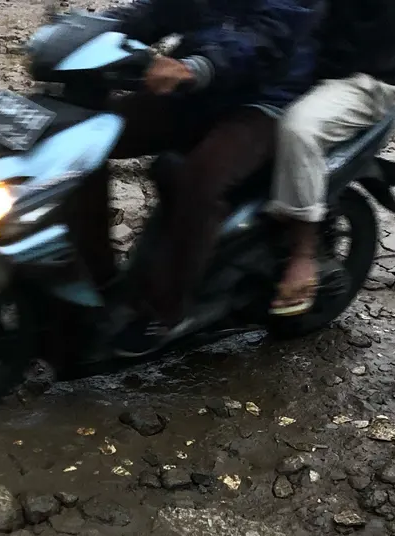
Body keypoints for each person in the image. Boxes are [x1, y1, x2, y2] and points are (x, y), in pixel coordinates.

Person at [74, 0, 322, 357]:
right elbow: (157, 12)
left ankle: (164, 312)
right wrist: (89, 29)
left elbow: (266, 37)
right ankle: (97, 278)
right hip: (200, 88)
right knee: (86, 135)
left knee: (200, 178)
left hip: (261, 100)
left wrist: (197, 67)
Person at [266, 0, 395, 316]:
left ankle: (304, 255)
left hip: (363, 78)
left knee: (299, 129)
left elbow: (366, 35)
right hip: (302, 65)